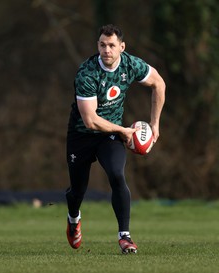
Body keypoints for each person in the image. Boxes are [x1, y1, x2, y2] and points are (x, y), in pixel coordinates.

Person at [65, 24, 166, 254]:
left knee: (117, 175)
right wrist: (124, 131)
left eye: (111, 45)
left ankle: (125, 237)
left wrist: (155, 124)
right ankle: (73, 218)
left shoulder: (130, 64)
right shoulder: (87, 73)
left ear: (122, 47)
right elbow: (90, 120)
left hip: (109, 137)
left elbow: (158, 83)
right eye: (102, 45)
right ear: (97, 46)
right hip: (81, 135)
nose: (106, 50)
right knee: (77, 191)